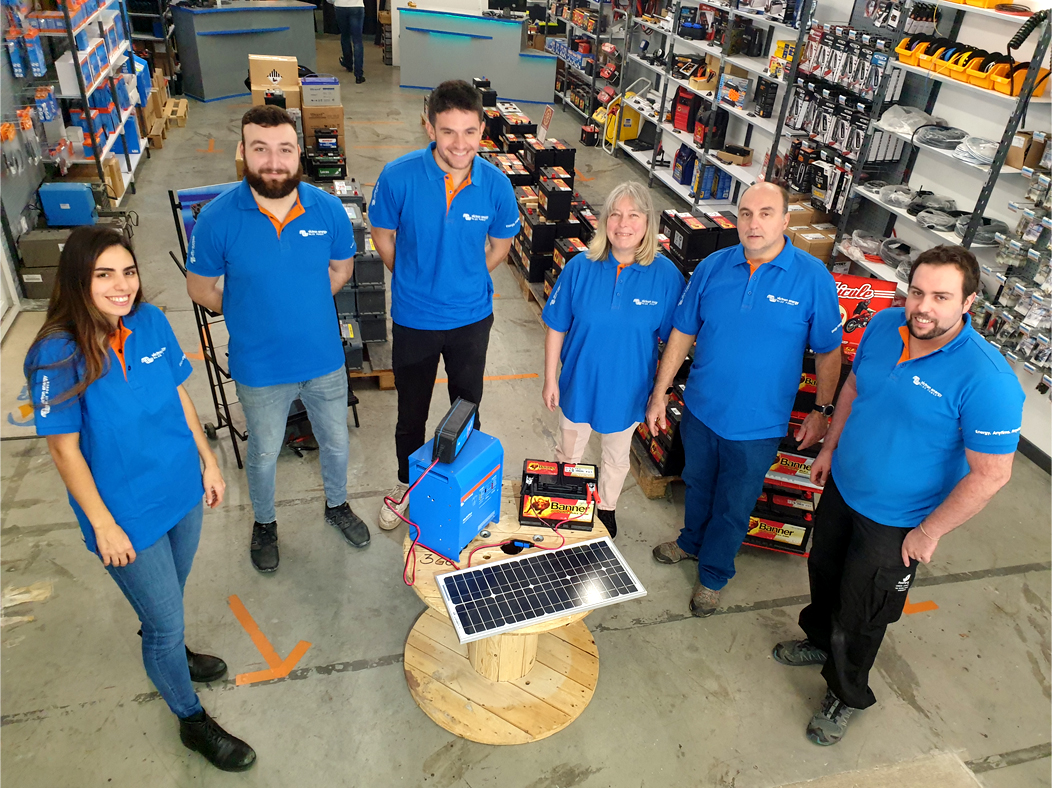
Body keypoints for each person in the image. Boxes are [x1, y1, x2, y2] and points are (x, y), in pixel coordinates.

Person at [25, 226, 255, 772]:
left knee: (168, 598)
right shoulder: (56, 352)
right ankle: (191, 720)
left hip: (180, 490)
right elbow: (64, 451)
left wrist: (208, 460)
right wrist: (103, 524)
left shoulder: (149, 321)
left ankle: (167, 642)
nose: (121, 285)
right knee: (165, 623)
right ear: (78, 281)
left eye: (128, 272)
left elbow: (177, 394)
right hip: (125, 514)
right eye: (104, 274)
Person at [772, 245, 1024, 746]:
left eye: (941, 297)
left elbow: (992, 475)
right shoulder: (886, 325)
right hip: (845, 486)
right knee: (824, 573)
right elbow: (853, 388)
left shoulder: (989, 380)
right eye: (917, 292)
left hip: (899, 522)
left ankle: (845, 693)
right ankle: (818, 640)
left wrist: (930, 532)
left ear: (968, 303)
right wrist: (830, 448)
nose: (923, 307)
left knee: (864, 610)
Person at [646, 182, 843, 617]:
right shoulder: (713, 267)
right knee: (697, 484)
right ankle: (691, 542)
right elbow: (683, 332)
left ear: (785, 220)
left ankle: (713, 575)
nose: (754, 223)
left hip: (758, 425)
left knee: (734, 506)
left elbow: (829, 352)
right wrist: (660, 392)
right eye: (747, 213)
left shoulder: (812, 278)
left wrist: (822, 411)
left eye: (766, 213)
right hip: (701, 411)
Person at [186, 105, 367, 573]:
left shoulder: (327, 210)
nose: (273, 161)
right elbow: (201, 289)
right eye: (260, 149)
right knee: (264, 454)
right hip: (260, 370)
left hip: (324, 361)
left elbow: (340, 271)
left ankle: (337, 505)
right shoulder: (217, 219)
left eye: (284, 150)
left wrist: (301, 303)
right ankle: (264, 522)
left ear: (298, 154)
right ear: (242, 152)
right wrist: (250, 310)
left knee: (336, 443)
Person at [369, 80, 519, 529]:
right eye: (448, 131)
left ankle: (465, 485)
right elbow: (382, 235)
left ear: (482, 130)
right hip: (414, 319)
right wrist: (413, 277)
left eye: (469, 131)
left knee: (466, 408)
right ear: (429, 126)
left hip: (471, 320)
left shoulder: (496, 186)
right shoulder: (398, 177)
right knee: (410, 413)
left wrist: (465, 277)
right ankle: (406, 485)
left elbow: (501, 246)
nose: (460, 143)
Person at [541, 182, 685, 537]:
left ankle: (606, 507)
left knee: (617, 455)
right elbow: (557, 326)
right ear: (604, 221)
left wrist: (660, 393)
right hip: (578, 383)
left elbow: (677, 341)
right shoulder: (580, 267)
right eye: (616, 214)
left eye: (633, 215)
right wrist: (550, 378)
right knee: (568, 449)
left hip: (628, 388)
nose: (623, 224)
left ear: (647, 223)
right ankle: (565, 501)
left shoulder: (666, 277)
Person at [332, 0, 366, 83]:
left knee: (345, 36)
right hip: (357, 6)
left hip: (340, 6)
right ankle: (358, 74)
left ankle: (348, 64)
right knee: (357, 41)